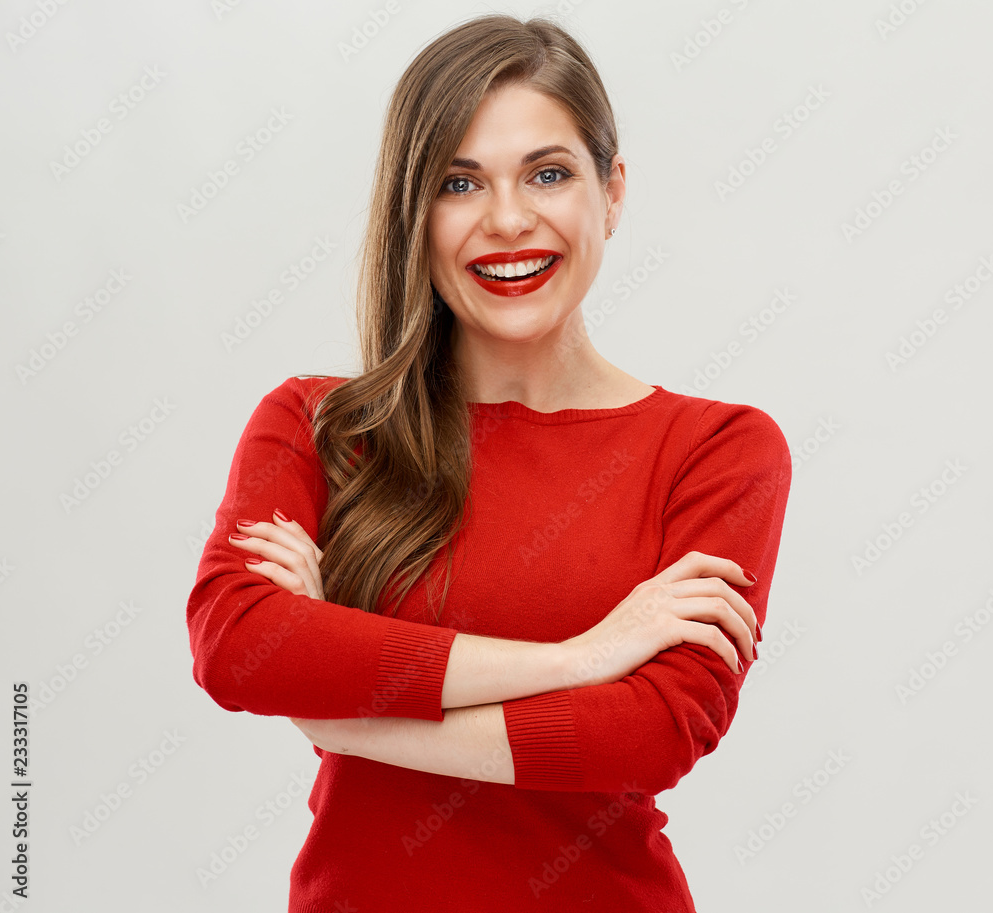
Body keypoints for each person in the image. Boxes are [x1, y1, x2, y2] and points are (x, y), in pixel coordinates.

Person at [185, 12, 791, 911]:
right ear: (413, 211)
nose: (508, 219)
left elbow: (649, 733)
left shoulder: (717, 448)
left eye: (548, 173)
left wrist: (344, 703)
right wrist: (582, 657)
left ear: (612, 191)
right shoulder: (322, 427)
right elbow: (240, 648)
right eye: (458, 182)